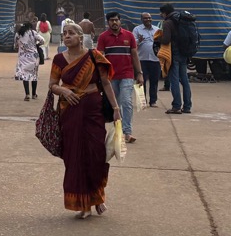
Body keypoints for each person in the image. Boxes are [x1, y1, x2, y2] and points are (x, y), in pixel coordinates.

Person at [50, 20, 120, 219]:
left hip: (92, 109)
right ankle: (83, 204)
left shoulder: (94, 56)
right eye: (64, 33)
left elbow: (105, 83)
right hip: (69, 111)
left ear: (81, 37)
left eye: (71, 33)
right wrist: (63, 89)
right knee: (74, 156)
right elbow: (52, 84)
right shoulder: (59, 59)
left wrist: (116, 108)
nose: (67, 36)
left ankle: (97, 197)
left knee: (96, 154)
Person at [96, 11, 142, 143]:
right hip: (110, 77)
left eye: (116, 20)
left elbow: (134, 55)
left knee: (126, 102)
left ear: (120, 21)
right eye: (111, 20)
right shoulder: (103, 37)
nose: (114, 22)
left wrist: (139, 73)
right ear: (108, 22)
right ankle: (118, 130)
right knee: (115, 104)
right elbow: (100, 57)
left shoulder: (129, 36)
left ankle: (127, 132)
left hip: (127, 74)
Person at [156, 3, 194, 115]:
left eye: (161, 13)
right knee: (185, 80)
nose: (161, 15)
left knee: (174, 80)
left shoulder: (168, 23)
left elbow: (166, 40)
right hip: (184, 53)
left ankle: (176, 106)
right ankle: (187, 106)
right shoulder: (183, 21)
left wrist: (158, 39)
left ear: (165, 12)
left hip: (173, 54)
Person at [132, 12, 161, 109]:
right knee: (141, 81)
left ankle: (153, 101)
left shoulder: (157, 30)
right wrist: (139, 41)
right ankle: (142, 102)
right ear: (141, 20)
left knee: (154, 81)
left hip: (155, 59)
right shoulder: (137, 30)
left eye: (149, 18)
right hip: (141, 60)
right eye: (145, 18)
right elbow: (132, 44)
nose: (148, 20)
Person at [15, 20, 44, 99]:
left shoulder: (18, 34)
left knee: (25, 75)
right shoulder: (33, 32)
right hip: (33, 56)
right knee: (34, 75)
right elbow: (42, 40)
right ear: (30, 27)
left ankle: (27, 94)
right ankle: (34, 94)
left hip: (23, 56)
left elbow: (15, 45)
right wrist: (36, 45)